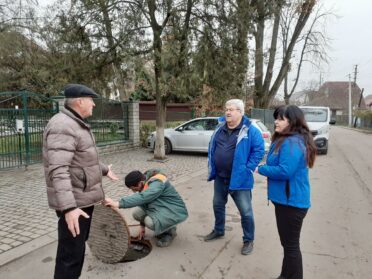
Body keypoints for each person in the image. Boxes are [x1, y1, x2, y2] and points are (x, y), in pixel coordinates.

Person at [42, 84, 119, 279]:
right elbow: (58, 170)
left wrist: (104, 170)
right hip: (75, 205)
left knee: (75, 252)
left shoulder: (74, 123)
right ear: (79, 101)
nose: (93, 103)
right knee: (70, 257)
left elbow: (83, 158)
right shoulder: (63, 126)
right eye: (91, 99)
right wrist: (69, 209)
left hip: (82, 202)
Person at [256, 105, 317, 279]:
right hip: (285, 201)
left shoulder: (292, 142)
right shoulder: (285, 139)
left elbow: (285, 171)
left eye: (281, 118)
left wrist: (261, 169)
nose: (276, 121)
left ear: (293, 122)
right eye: (276, 117)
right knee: (288, 244)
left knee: (291, 246)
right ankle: (285, 275)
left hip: (292, 203)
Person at [204, 99, 265, 255]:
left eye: (232, 109)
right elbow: (213, 147)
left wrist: (248, 168)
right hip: (220, 177)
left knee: (245, 211)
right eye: (226, 109)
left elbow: (259, 150)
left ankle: (248, 240)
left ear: (240, 112)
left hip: (240, 179)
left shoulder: (250, 130)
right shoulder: (220, 128)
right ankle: (219, 230)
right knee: (217, 204)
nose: (228, 112)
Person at [104, 169, 188, 247]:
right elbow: (144, 202)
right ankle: (162, 226)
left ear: (140, 182)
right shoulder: (145, 182)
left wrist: (118, 203)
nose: (134, 191)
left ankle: (169, 232)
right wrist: (142, 227)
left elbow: (143, 197)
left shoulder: (157, 183)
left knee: (150, 222)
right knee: (137, 213)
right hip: (160, 205)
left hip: (172, 209)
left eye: (134, 189)